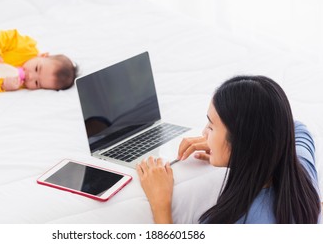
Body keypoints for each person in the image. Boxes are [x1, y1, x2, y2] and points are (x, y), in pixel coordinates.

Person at [136, 75, 321, 224]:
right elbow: (297, 128)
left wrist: (160, 204)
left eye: (211, 125)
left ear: (240, 142)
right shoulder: (303, 174)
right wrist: (238, 153)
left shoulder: (233, 221)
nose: (204, 133)